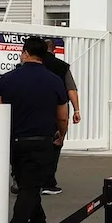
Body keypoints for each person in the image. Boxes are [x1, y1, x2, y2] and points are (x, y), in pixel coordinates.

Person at [0, 35, 69, 223]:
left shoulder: (6, 79)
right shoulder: (54, 80)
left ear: (24, 53)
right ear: (44, 56)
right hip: (42, 141)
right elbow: (62, 115)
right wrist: (61, 134)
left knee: (27, 185)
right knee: (30, 188)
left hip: (14, 141)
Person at [39, 44, 81, 195]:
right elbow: (71, 89)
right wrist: (77, 109)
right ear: (54, 50)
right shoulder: (62, 67)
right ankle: (49, 182)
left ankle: (27, 180)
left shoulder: (31, 65)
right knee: (55, 145)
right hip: (57, 112)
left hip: (34, 112)